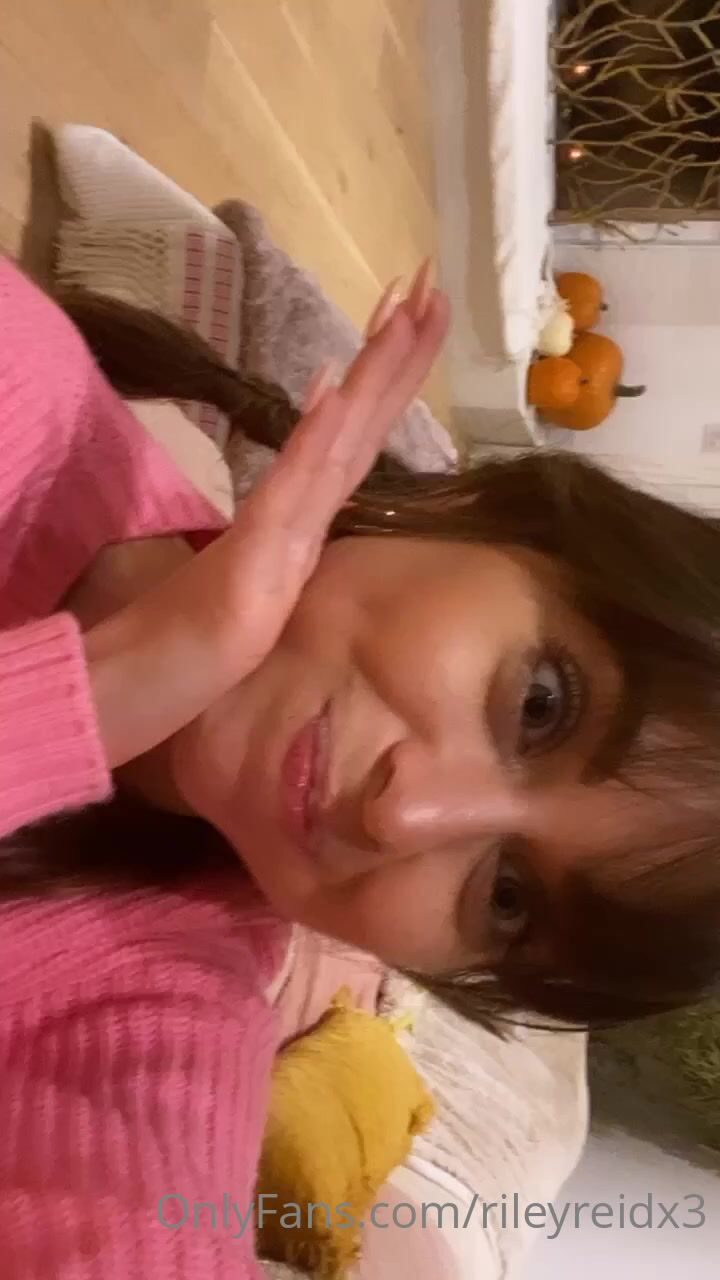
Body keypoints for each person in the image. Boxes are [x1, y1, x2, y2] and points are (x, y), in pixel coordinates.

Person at [0, 255, 719, 1277]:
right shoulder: (20, 393)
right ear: (476, 514)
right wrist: (114, 685)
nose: (405, 817)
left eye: (507, 896)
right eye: (540, 706)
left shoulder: (162, 1014)